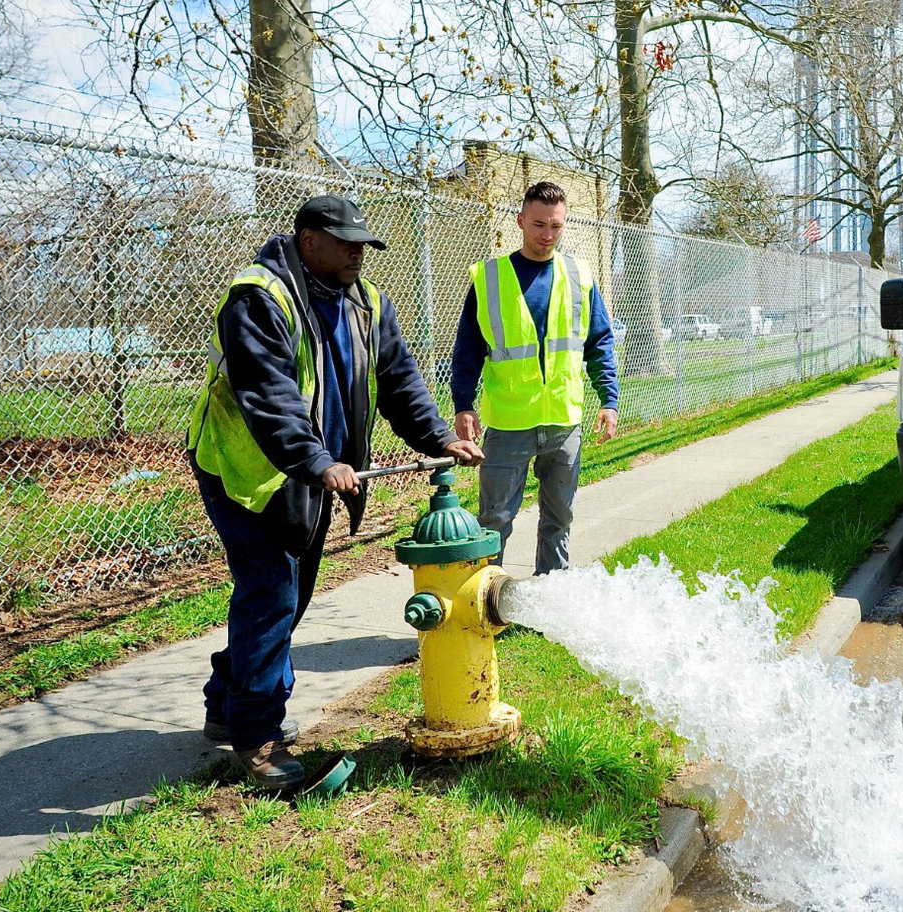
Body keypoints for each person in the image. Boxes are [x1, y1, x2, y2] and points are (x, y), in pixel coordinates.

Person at [186, 194, 483, 789]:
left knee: (289, 597)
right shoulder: (258, 299)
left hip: (314, 471)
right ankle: (258, 737)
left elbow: (400, 379)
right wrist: (317, 460)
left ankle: (228, 699)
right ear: (307, 238)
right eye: (345, 243)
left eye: (363, 245)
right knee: (270, 591)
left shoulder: (366, 301)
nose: (357, 254)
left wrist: (438, 436)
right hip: (247, 471)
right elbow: (269, 397)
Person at [450, 181, 619, 575]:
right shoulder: (489, 279)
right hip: (509, 423)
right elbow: (468, 349)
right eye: (539, 224)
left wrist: (608, 400)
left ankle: (550, 599)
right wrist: (462, 404)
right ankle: (487, 606)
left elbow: (599, 342)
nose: (547, 235)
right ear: (521, 221)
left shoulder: (579, 275)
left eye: (556, 226)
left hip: (563, 420)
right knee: (494, 522)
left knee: (559, 522)